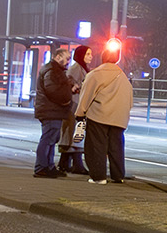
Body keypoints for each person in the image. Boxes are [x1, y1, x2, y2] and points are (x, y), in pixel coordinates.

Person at [77, 44, 136, 185]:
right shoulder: (123, 77)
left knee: (96, 146)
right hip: (119, 119)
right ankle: (118, 176)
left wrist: (80, 113)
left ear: (102, 58)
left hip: (99, 115)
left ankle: (99, 177)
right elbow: (130, 101)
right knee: (116, 147)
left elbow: (86, 95)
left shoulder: (95, 74)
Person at [31, 44, 74, 178]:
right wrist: (66, 98)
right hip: (51, 110)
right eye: (66, 59)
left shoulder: (54, 70)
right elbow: (53, 91)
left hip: (52, 109)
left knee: (51, 139)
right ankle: (41, 167)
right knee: (48, 138)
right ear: (57, 57)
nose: (68, 62)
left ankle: (48, 166)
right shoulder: (52, 71)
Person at [60, 45, 91, 175]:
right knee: (76, 132)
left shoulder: (81, 68)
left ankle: (64, 163)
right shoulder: (76, 68)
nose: (91, 56)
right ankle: (76, 163)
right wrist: (76, 87)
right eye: (88, 54)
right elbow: (68, 82)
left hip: (77, 104)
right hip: (75, 105)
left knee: (73, 133)